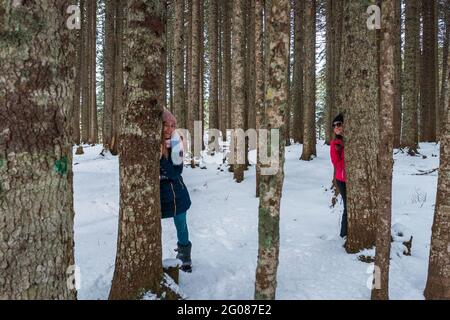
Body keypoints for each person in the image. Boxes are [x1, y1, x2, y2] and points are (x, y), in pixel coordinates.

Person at [160, 109, 193, 272]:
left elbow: (176, 172)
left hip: (177, 194)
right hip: (157, 196)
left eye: (172, 125)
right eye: (165, 125)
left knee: (181, 226)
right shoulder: (147, 143)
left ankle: (185, 257)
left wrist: (161, 159)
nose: (169, 129)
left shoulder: (176, 143)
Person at [330, 113, 347, 238]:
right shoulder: (334, 143)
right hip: (342, 179)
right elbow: (336, 163)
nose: (336, 127)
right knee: (348, 206)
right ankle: (344, 234)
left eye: (339, 124)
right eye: (334, 125)